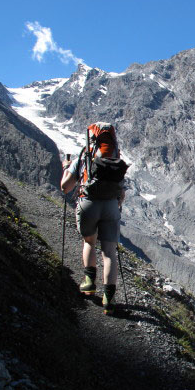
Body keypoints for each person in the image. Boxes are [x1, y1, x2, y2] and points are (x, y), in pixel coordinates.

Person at [60, 124, 126, 315]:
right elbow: (121, 194)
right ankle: (109, 300)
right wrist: (114, 205)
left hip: (88, 203)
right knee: (109, 253)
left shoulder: (84, 156)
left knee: (89, 241)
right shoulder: (115, 159)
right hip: (111, 206)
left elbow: (65, 187)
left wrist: (66, 169)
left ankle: (89, 283)